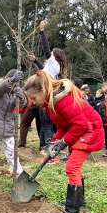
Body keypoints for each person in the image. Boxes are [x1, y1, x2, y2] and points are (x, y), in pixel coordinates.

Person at [23, 70, 104, 213]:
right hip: (82, 130)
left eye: (34, 98)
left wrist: (63, 142)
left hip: (89, 130)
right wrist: (54, 142)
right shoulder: (51, 103)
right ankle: (79, 200)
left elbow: (79, 124)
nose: (33, 102)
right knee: (73, 166)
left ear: (43, 91)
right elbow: (63, 126)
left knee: (71, 166)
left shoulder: (62, 101)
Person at [29, 20, 68, 164]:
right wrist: (35, 61)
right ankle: (49, 153)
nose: (49, 54)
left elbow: (45, 48)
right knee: (47, 125)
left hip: (46, 98)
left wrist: (42, 31)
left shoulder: (53, 63)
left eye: (51, 54)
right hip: (47, 97)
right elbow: (45, 71)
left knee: (46, 125)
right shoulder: (54, 67)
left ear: (55, 56)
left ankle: (52, 155)